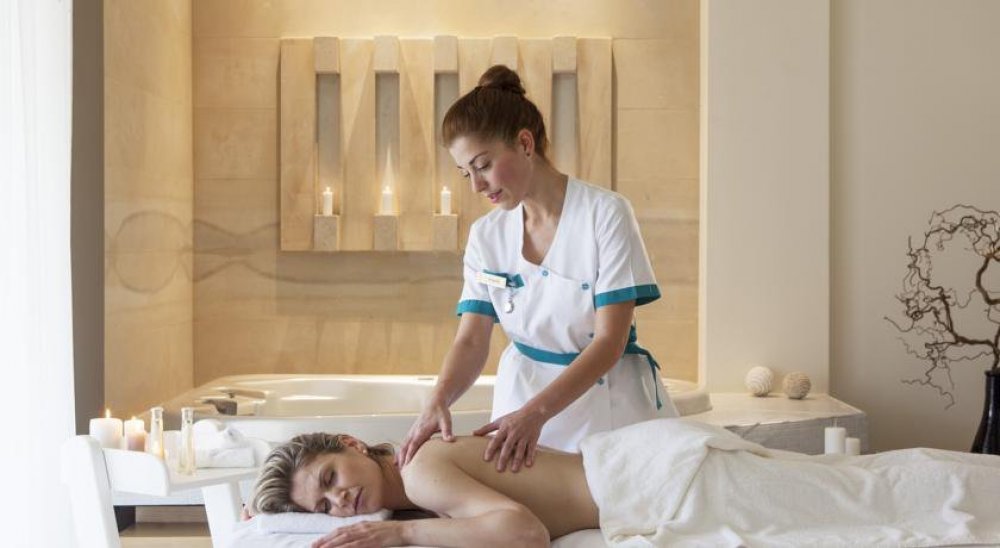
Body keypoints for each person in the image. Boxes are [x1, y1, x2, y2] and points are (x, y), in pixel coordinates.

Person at [398, 64, 677, 473]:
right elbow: (471, 341)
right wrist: (438, 399)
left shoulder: (605, 214)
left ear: (525, 143)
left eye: (483, 165)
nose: (476, 185)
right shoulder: (486, 235)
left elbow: (609, 341)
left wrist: (536, 413)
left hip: (607, 407)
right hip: (519, 405)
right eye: (465, 173)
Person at [249, 420, 1000, 548]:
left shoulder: (418, 471)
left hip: (661, 483)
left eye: (330, 477)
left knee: (865, 497)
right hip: (651, 473)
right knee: (856, 487)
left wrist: (402, 537)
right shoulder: (420, 476)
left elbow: (522, 533)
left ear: (353, 445)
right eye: (324, 505)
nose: (339, 501)